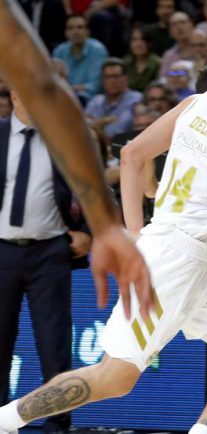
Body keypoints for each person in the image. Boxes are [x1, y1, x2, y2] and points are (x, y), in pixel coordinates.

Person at [0, 28, 207, 434]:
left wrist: (136, 232)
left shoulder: (194, 105)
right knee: (116, 375)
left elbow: (133, 154)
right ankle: (4, 420)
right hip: (177, 259)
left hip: (190, 258)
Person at [0, 0, 154, 334]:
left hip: (46, 250)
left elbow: (43, 89)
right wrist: (106, 227)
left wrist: (99, 227)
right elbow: (42, 87)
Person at [0, 90, 92, 434]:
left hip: (50, 252)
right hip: (2, 250)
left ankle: (58, 426)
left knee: (54, 346)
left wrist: (87, 231)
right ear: (14, 95)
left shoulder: (64, 137)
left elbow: (90, 189)